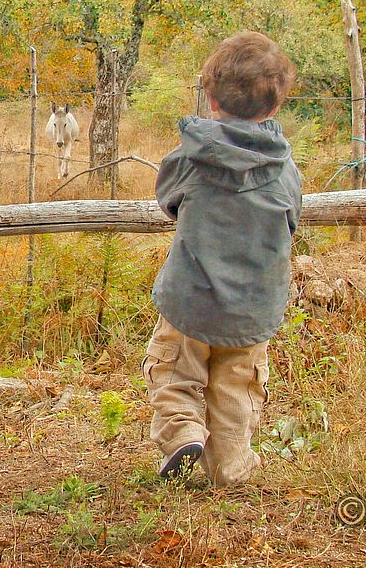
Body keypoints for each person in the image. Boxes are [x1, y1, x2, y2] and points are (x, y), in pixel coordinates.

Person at [144, 31, 301, 486]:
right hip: (252, 306)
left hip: (191, 298)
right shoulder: (285, 170)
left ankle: (182, 432)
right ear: (275, 105)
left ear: (210, 97)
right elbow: (291, 220)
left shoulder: (189, 158)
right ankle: (230, 466)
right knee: (237, 385)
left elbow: (168, 200)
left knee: (174, 371)